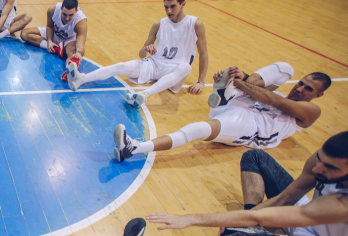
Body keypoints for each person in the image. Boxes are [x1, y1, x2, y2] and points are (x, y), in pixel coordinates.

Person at [112, 132, 348, 236]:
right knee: (255, 156)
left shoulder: (342, 204)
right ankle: (245, 227)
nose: (318, 169)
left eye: (330, 168)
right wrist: (246, 220)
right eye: (320, 160)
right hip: (307, 214)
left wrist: (191, 219)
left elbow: (262, 218)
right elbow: (287, 198)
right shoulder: (322, 162)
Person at [113, 63, 330, 162]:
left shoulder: (311, 111)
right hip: (242, 106)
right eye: (301, 83)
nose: (300, 88)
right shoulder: (285, 93)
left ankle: (134, 148)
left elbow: (272, 99)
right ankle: (228, 91)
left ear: (317, 95)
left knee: (197, 129)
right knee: (285, 68)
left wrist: (242, 84)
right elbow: (271, 90)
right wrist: (245, 78)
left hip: (252, 127)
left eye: (308, 89)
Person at [69, 0, 208, 104]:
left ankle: (143, 95)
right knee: (121, 66)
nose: (168, 10)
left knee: (186, 67)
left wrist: (201, 81)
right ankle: (81, 79)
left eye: (173, 6)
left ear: (183, 4)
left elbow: (204, 54)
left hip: (174, 70)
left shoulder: (194, 24)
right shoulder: (159, 24)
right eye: (166, 6)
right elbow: (141, 54)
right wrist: (147, 49)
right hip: (154, 64)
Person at [19, 0, 87, 81]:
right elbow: (50, 26)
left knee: (73, 53)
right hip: (54, 32)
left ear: (76, 11)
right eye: (64, 14)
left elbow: (81, 43)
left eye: (70, 15)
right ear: (61, 8)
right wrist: (49, 41)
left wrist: (79, 53)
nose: (67, 18)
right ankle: (57, 48)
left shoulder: (81, 21)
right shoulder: (53, 10)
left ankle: (69, 71)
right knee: (24, 34)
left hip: (69, 39)